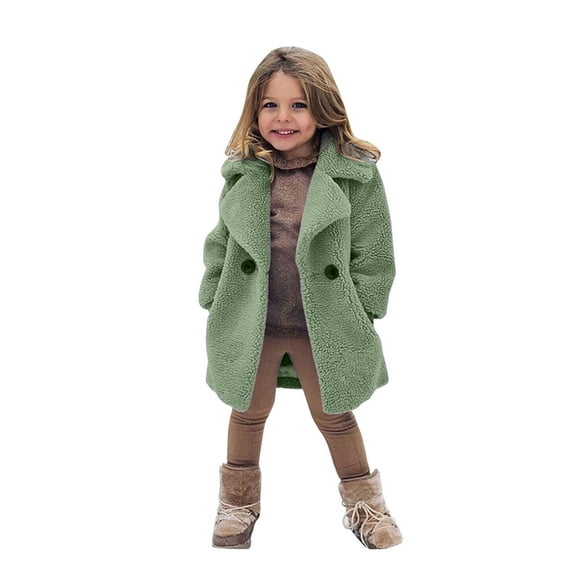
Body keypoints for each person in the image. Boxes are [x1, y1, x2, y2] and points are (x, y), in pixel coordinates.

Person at [198, 46, 402, 550]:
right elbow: (222, 239)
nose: (283, 118)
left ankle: (366, 506)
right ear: (254, 110)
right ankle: (238, 504)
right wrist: (214, 292)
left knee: (335, 414)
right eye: (270, 105)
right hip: (255, 319)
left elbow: (374, 246)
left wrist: (363, 307)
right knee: (247, 410)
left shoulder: (353, 174)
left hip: (323, 323)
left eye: (298, 105)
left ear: (323, 109)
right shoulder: (245, 172)